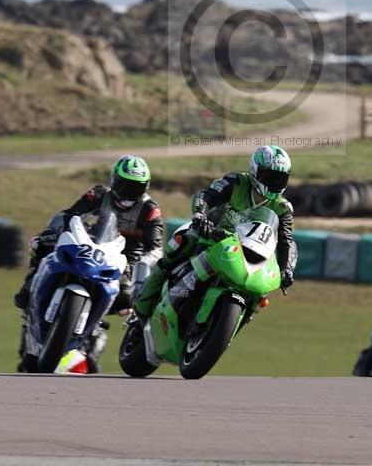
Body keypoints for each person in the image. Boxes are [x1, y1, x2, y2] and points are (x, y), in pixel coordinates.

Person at [15, 155, 163, 371]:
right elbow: (69, 214)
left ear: (145, 187)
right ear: (114, 181)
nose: (129, 192)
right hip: (93, 241)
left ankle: (92, 339)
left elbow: (155, 248)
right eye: (125, 185)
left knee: (125, 299)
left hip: (126, 258)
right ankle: (30, 285)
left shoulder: (150, 210)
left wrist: (142, 266)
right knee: (44, 247)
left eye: (136, 188)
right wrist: (51, 232)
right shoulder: (99, 194)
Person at [135, 144, 297, 321]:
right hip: (212, 234)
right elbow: (206, 196)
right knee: (180, 245)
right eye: (270, 176)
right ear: (255, 171)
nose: (274, 183)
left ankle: (233, 323)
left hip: (249, 251)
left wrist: (287, 268)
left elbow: (286, 240)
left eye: (280, 178)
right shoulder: (236, 182)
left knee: (260, 293)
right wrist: (200, 215)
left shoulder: (283, 208)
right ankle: (142, 304)